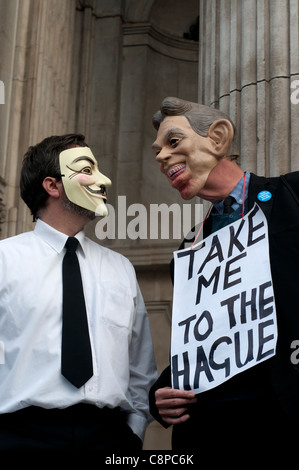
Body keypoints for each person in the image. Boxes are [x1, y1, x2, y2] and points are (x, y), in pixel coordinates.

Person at [149, 97, 299, 450]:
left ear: (217, 138)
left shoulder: (292, 196)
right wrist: (165, 389)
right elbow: (207, 332)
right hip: (210, 424)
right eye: (158, 150)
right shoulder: (187, 251)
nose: (160, 157)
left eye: (173, 142)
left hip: (284, 412)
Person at [0, 133, 157, 451]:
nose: (104, 180)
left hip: (109, 438)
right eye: (87, 169)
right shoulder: (4, 260)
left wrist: (133, 434)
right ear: (52, 186)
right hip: (20, 438)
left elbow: (141, 367)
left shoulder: (121, 268)